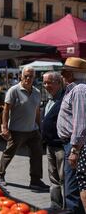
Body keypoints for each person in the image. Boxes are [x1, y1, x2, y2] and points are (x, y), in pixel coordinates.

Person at [0, 67, 49, 191]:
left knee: (37, 154)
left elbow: (37, 111)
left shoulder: (36, 92)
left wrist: (40, 128)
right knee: (9, 153)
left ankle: (35, 180)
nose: (28, 79)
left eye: (31, 76)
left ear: (34, 78)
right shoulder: (14, 90)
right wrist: (5, 128)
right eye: (26, 76)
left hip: (33, 131)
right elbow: (6, 110)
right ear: (21, 76)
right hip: (17, 130)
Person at [57, 57, 86, 213]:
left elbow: (80, 122)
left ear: (71, 73)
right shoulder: (75, 89)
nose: (61, 75)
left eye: (64, 71)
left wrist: (75, 149)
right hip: (71, 144)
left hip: (74, 145)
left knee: (72, 189)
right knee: (72, 186)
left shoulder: (79, 89)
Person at [41, 71, 65, 209]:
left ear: (58, 82)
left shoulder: (64, 99)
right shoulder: (49, 99)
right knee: (53, 178)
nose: (46, 85)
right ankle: (55, 204)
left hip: (60, 145)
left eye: (49, 82)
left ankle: (68, 206)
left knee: (64, 178)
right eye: (44, 82)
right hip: (50, 145)